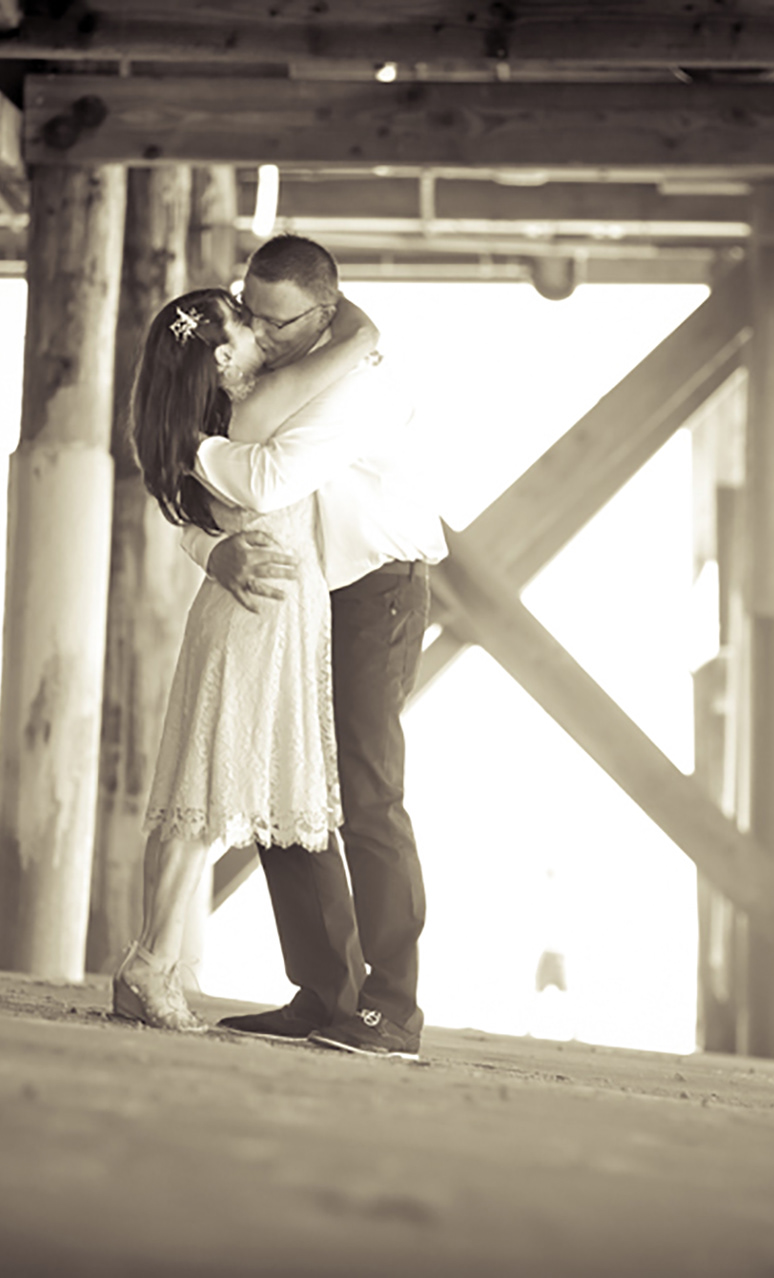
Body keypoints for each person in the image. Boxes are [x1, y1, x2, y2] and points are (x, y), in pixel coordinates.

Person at [186, 235, 446, 1061]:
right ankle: (322, 991)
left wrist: (178, 442)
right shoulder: (259, 369)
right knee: (278, 782)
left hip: (375, 590)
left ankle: (391, 1011)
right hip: (292, 594)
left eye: (280, 322)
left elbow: (260, 482)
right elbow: (192, 505)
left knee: (367, 795)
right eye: (250, 313)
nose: (259, 334)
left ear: (325, 315)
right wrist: (209, 547)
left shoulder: (362, 387)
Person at [112, 285, 380, 1032]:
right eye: (246, 318)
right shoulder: (254, 408)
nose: (262, 328)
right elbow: (357, 340)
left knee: (202, 791)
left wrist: (212, 550)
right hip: (263, 610)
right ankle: (151, 962)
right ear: (224, 354)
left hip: (255, 605)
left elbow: (188, 519)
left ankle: (154, 959)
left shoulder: (202, 422)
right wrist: (340, 315)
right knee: (208, 793)